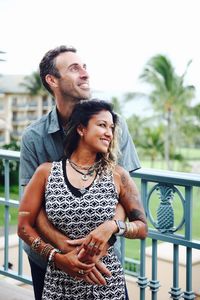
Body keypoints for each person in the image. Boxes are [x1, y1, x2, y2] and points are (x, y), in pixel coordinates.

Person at [19, 45, 141, 299]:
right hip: (50, 261)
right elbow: (31, 208)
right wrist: (63, 250)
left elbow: (122, 192)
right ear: (52, 80)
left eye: (85, 67)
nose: (85, 73)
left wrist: (102, 240)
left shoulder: (114, 124)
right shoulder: (34, 137)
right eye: (75, 68)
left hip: (104, 262)